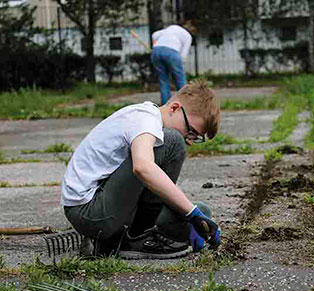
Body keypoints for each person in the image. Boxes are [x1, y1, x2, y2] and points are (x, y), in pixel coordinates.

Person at [61, 80, 221, 259]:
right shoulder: (145, 118)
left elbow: (157, 182)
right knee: (173, 142)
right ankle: (134, 238)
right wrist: (192, 213)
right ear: (175, 108)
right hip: (90, 212)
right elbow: (142, 167)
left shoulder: (150, 123)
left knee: (200, 212)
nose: (190, 141)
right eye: (191, 131)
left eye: (196, 138)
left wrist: (192, 214)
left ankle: (122, 238)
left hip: (107, 204)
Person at [151, 22, 195, 105]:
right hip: (171, 52)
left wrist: (155, 45)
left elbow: (154, 35)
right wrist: (180, 65)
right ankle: (184, 104)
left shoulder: (172, 27)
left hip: (156, 51)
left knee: (163, 80)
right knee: (180, 80)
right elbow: (184, 55)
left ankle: (165, 105)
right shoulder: (188, 36)